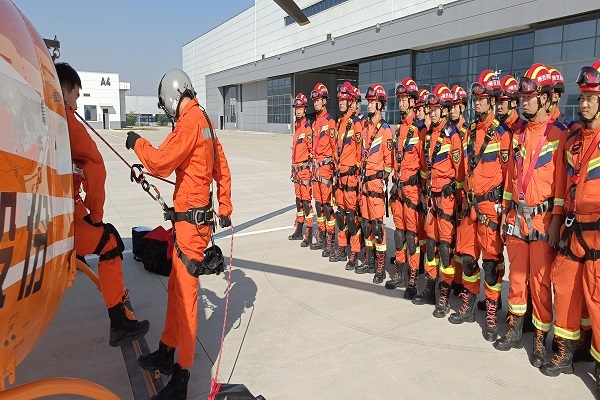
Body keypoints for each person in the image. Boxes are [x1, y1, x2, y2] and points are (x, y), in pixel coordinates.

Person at [127, 69, 232, 400]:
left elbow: (160, 162)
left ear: (172, 97)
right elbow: (221, 168)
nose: (168, 111)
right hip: (192, 224)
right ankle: (167, 349)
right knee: (175, 289)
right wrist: (225, 206)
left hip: (191, 227)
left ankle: (182, 375)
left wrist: (137, 143)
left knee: (186, 300)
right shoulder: (205, 122)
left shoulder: (189, 122)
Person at [55, 62, 150, 348]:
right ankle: (119, 324)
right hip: (56, 222)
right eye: (75, 95)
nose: (76, 103)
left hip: (54, 215)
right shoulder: (63, 120)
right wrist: (95, 217)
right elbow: (95, 165)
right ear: (63, 90)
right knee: (109, 242)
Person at [494, 64, 567, 371]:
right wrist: (505, 211)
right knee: (517, 278)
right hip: (516, 217)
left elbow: (561, 186)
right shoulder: (518, 134)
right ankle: (514, 327)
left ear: (546, 98)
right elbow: (511, 178)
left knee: (540, 282)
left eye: (529, 97)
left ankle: (539, 338)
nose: (523, 102)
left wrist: (556, 221)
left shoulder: (558, 135)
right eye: (521, 97)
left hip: (542, 220)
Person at [541, 61, 600, 380]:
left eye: (592, 98)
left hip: (598, 235)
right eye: (583, 97)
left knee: (597, 300)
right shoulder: (574, 138)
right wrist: (556, 219)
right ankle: (565, 351)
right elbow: (563, 185)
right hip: (573, 228)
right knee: (563, 287)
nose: (585, 104)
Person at [449, 70, 510, 343]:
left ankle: (492, 314)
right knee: (468, 260)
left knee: (491, 266)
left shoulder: (503, 135)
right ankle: (468, 305)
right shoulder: (470, 132)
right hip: (469, 206)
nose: (477, 103)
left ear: (493, 100)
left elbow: (509, 176)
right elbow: (463, 170)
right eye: (475, 99)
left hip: (490, 209)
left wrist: (505, 210)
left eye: (482, 99)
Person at [414, 84, 464, 317]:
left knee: (445, 249)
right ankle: (430, 288)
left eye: (436, 109)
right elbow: (426, 169)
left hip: (446, 200)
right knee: (431, 245)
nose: (432, 113)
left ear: (444, 110)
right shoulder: (428, 136)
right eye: (430, 109)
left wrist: (458, 202)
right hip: (430, 199)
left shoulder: (453, 136)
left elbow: (459, 174)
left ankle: (444, 295)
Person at [386, 78, 426, 299]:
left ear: (412, 102)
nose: (400, 103)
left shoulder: (420, 130)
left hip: (412, 192)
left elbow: (424, 166)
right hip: (399, 191)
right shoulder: (398, 129)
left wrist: (423, 193)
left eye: (404, 100)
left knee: (412, 237)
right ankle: (400, 274)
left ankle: (412, 279)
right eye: (399, 99)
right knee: (399, 235)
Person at [354, 84, 393, 284]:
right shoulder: (366, 128)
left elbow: (389, 164)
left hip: (376, 185)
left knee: (377, 227)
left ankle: (380, 266)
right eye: (368, 102)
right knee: (366, 224)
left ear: (380, 105)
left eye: (372, 102)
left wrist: (378, 180)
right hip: (365, 185)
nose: (368, 105)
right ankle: (369, 260)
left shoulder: (385, 131)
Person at [330, 82, 363, 269]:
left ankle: (354, 252)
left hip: (350, 178)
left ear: (351, 101)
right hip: (339, 178)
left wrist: (355, 172)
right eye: (339, 99)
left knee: (351, 217)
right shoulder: (340, 123)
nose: (341, 102)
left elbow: (360, 152)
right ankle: (342, 248)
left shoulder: (356, 123)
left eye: (344, 99)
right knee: (340, 214)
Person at [309, 83, 337, 257]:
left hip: (326, 170)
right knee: (318, 205)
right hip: (316, 171)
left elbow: (335, 148)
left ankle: (330, 240)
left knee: (327, 206)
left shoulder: (330, 121)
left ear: (325, 101)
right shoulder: (314, 123)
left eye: (318, 100)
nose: (316, 103)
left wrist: (334, 171)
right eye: (314, 101)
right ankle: (322, 235)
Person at [289, 93, 315, 248]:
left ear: (305, 109)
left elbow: (312, 151)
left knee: (306, 202)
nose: (298, 111)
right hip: (296, 171)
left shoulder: (307, 128)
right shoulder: (297, 127)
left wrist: (309, 170)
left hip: (304, 171)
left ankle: (309, 234)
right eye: (296, 108)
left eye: (300, 108)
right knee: (298, 201)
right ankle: (299, 230)